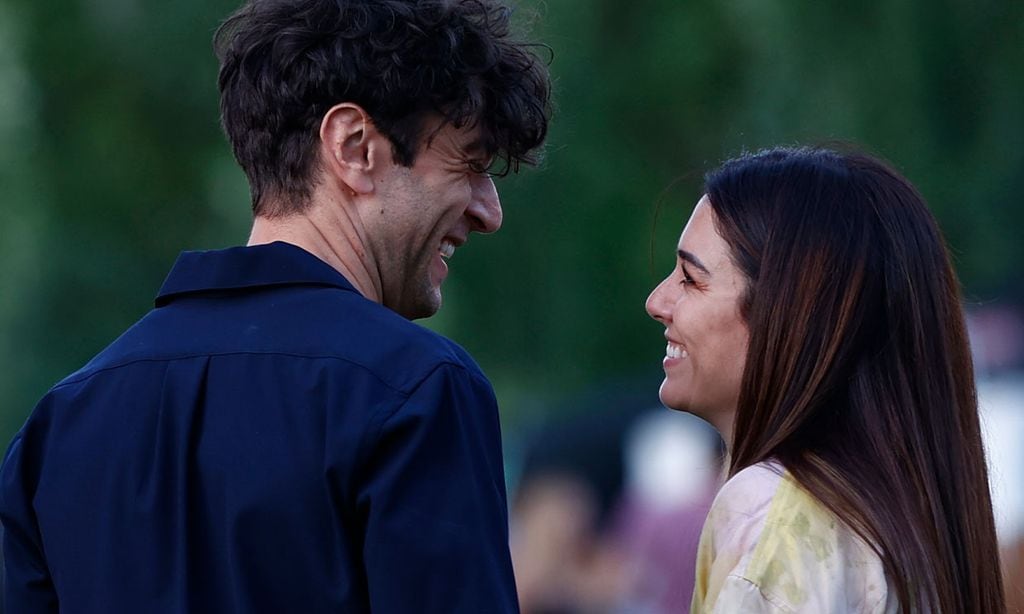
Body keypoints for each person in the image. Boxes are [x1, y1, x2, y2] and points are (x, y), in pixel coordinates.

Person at [0, 0, 550, 612]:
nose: (489, 212)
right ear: (355, 146)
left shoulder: (62, 421)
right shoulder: (415, 390)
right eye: (469, 164)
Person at [645, 147, 1005, 613]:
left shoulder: (774, 515)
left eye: (691, 278)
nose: (657, 301)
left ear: (790, 313)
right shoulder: (905, 520)